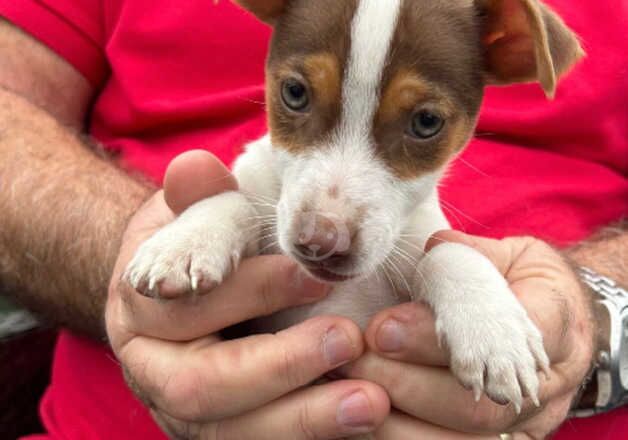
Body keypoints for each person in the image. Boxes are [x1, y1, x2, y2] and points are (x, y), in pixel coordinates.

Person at [0, 0, 625, 439]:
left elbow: (438, 260)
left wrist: (596, 321)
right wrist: (194, 235)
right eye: (297, 95)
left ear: (506, 46)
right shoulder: (252, 191)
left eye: (423, 122)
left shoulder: (432, 243)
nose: (330, 223)